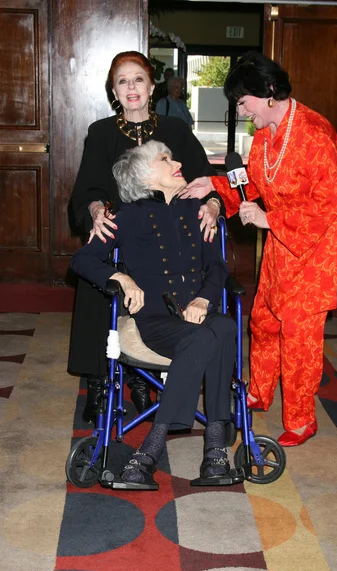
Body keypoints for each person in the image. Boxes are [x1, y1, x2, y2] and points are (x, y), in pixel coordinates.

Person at [183, 52, 337, 447]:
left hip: (317, 245)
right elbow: (253, 183)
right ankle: (260, 391)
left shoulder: (316, 134)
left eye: (242, 101)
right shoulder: (266, 134)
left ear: (268, 92)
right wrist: (213, 186)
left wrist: (270, 220)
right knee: (264, 319)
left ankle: (302, 419)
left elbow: (329, 207)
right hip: (283, 243)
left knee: (299, 334)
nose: (240, 109)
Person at [70, 141, 243, 490]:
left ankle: (172, 453)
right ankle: (193, 452)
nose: (177, 162)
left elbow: (218, 267)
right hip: (156, 321)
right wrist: (120, 276)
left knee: (224, 326)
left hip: (199, 317)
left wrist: (204, 300)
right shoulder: (126, 217)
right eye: (167, 159)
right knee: (211, 336)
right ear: (146, 174)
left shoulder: (196, 211)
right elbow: (82, 260)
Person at [68, 51, 221, 423]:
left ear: (151, 87)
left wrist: (214, 204)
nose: (131, 87)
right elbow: (86, 189)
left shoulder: (175, 130)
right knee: (97, 271)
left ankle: (143, 381)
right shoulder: (101, 132)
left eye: (138, 79)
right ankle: (100, 379)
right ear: (114, 92)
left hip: (169, 231)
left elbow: (204, 178)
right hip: (123, 227)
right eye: (123, 81)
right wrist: (95, 211)